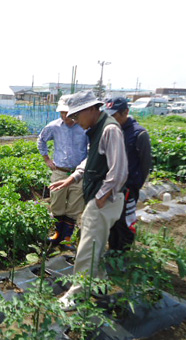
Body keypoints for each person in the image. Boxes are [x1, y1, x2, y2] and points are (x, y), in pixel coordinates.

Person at [49, 90, 128, 310]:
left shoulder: (110, 129)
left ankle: (77, 294)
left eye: (76, 116)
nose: (74, 120)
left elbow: (119, 171)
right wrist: (72, 179)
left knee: (86, 248)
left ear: (92, 109)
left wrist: (100, 200)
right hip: (98, 197)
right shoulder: (97, 128)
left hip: (104, 199)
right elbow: (90, 160)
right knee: (96, 245)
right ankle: (99, 286)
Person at [37, 94, 88, 248]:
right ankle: (57, 234)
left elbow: (92, 148)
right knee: (57, 203)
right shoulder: (54, 126)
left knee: (74, 206)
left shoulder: (84, 128)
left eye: (68, 113)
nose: (65, 116)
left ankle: (67, 237)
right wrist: (47, 159)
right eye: (62, 113)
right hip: (59, 171)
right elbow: (41, 140)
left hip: (78, 173)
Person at [105, 97, 152, 249]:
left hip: (128, 188)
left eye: (115, 115)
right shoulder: (112, 130)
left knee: (125, 221)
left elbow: (145, 164)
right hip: (112, 186)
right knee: (113, 221)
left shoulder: (139, 134)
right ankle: (113, 251)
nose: (112, 118)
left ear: (126, 112)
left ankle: (123, 256)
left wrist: (133, 186)